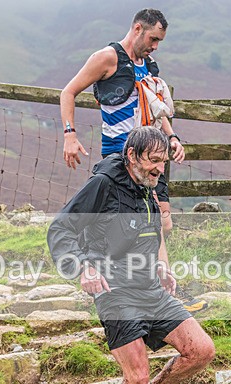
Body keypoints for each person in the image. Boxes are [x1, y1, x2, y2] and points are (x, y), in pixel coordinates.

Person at [47, 127, 215, 384]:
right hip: (114, 291)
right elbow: (61, 228)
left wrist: (159, 265)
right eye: (153, 161)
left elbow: (147, 233)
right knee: (135, 375)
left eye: (163, 162)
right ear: (132, 156)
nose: (159, 169)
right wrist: (82, 267)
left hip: (149, 287)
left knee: (200, 350)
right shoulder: (104, 185)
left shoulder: (148, 187)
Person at [60, 8, 184, 238]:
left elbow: (154, 106)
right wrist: (70, 135)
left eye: (159, 41)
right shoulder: (107, 58)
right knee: (133, 223)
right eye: (153, 39)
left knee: (163, 224)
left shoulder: (147, 63)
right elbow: (68, 92)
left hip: (150, 155)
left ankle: (147, 269)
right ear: (138, 29)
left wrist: (172, 137)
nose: (155, 46)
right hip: (121, 154)